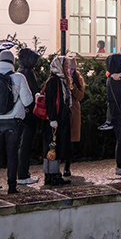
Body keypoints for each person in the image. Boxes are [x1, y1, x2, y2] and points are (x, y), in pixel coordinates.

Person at [0, 50, 34, 196]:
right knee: (12, 154)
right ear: (13, 62)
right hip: (13, 122)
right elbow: (28, 101)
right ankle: (11, 186)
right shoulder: (19, 77)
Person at [42, 56, 73, 187]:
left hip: (58, 119)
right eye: (65, 65)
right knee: (53, 147)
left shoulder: (59, 80)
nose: (67, 67)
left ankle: (51, 175)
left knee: (53, 147)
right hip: (55, 120)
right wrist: (53, 119)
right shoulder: (55, 81)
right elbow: (51, 101)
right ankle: (53, 175)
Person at [15, 47, 43, 186]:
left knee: (22, 145)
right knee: (25, 145)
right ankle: (23, 174)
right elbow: (33, 94)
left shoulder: (20, 72)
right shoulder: (27, 73)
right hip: (29, 115)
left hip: (22, 114)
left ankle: (21, 173)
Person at [66, 54, 85, 177]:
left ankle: (67, 167)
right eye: (69, 69)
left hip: (74, 112)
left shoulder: (77, 78)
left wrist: (72, 87)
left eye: (73, 69)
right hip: (65, 112)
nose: (71, 71)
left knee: (71, 142)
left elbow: (80, 96)